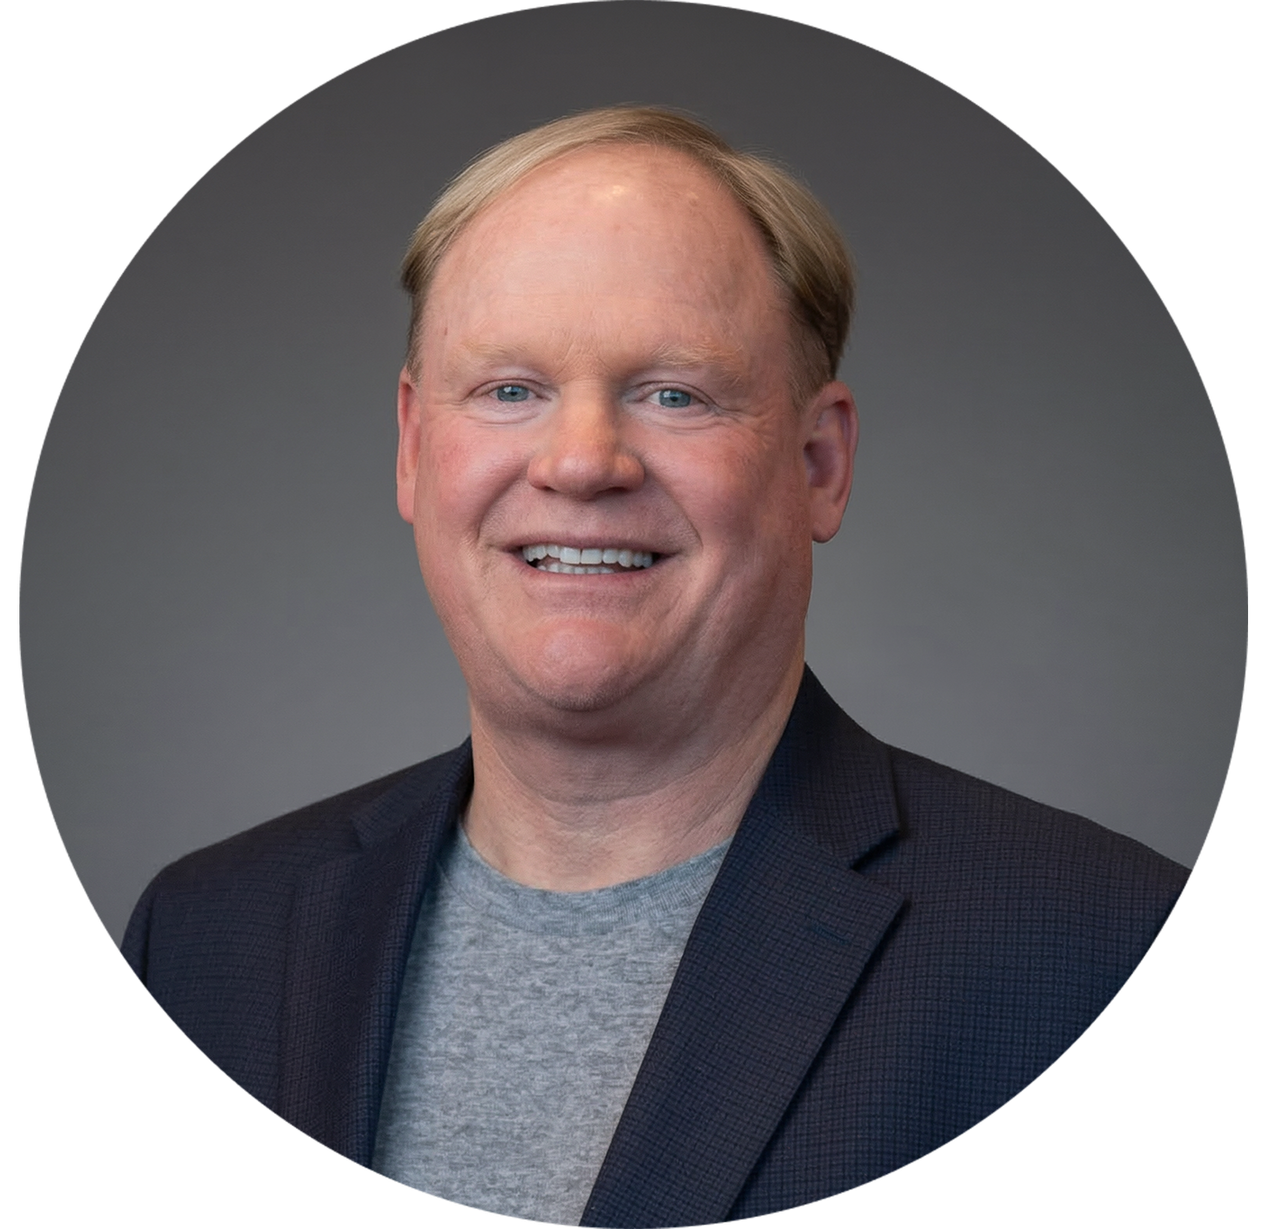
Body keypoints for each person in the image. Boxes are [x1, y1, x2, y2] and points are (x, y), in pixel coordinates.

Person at [121, 106, 1189, 1226]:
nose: (581, 460)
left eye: (673, 392)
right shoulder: (204, 938)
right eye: (509, 389)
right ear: (411, 446)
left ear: (818, 464)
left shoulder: (1088, 950)